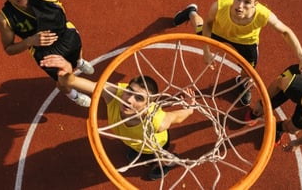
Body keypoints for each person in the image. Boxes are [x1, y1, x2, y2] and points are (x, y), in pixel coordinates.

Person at [39, 54, 196, 181]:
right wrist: (68, 73)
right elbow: (77, 82)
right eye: (129, 91)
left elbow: (178, 116)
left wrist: (190, 106)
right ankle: (139, 152)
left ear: (148, 106)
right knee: (134, 147)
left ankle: (168, 162)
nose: (128, 99)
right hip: (132, 140)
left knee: (159, 156)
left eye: (139, 98)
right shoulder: (115, 95)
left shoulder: (157, 121)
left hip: (154, 145)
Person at [172, 0, 302, 105]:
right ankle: (191, 12)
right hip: (219, 31)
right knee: (199, 29)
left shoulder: (263, 15)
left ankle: (242, 84)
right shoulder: (219, 6)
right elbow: (208, 25)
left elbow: (285, 31)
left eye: (247, 2)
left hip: (246, 42)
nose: (239, 5)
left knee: (249, 69)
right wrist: (206, 50)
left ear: (255, 4)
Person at [0, 0, 95, 107]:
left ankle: (79, 62)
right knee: (63, 80)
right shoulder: (5, 19)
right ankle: (73, 96)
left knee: (77, 54)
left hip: (67, 35)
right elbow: (9, 49)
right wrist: (29, 41)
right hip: (46, 54)